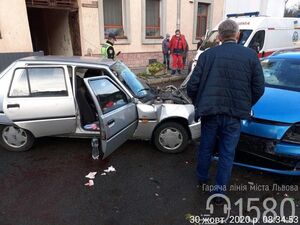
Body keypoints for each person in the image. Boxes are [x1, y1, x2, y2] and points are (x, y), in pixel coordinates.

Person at [187, 19, 265, 197]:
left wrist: (200, 102)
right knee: (227, 153)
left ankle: (202, 178)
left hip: (210, 112)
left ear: (220, 36)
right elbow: (259, 88)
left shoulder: (207, 55)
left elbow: (192, 86)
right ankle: (220, 192)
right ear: (237, 35)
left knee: (206, 147)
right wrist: (245, 104)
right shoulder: (251, 56)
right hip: (234, 115)